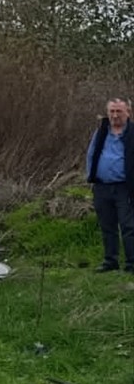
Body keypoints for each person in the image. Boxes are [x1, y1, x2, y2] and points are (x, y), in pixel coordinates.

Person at [84, 97, 134, 273]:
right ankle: (110, 261)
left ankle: (131, 263)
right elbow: (91, 154)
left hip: (125, 188)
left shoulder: (132, 133)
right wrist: (91, 177)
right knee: (107, 226)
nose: (115, 115)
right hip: (102, 187)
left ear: (128, 112)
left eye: (119, 111)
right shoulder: (101, 132)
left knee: (128, 226)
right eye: (112, 111)